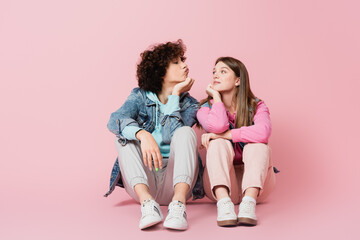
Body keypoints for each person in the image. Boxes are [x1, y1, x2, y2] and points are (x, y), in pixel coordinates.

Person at [104, 39, 203, 231]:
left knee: (185, 132)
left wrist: (175, 94)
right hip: (144, 181)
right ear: (160, 71)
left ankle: (178, 206)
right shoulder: (140, 96)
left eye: (182, 60)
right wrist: (142, 134)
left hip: (177, 181)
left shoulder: (190, 105)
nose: (184, 65)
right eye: (176, 62)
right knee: (124, 137)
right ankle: (148, 205)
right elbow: (115, 120)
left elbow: (170, 135)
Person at [197, 57, 277, 227]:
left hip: (257, 186)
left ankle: (248, 204)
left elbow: (263, 132)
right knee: (217, 143)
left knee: (257, 144)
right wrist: (216, 98)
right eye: (214, 72)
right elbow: (218, 126)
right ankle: (224, 205)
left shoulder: (257, 106)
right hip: (221, 185)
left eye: (223, 71)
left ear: (238, 80)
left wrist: (226, 135)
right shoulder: (205, 108)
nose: (215, 76)